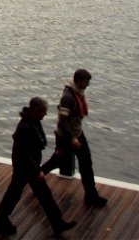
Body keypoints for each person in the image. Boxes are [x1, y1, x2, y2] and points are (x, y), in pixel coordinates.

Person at [0, 97, 77, 236]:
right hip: (25, 168)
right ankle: (57, 223)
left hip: (27, 166)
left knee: (24, 194)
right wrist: (36, 171)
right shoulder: (25, 127)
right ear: (36, 110)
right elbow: (24, 153)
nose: (45, 114)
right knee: (26, 194)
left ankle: (57, 223)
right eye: (44, 111)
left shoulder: (33, 122)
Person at [41, 68, 108, 208]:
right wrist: (72, 139)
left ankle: (91, 195)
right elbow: (62, 121)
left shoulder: (78, 92)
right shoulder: (68, 97)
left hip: (76, 133)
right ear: (78, 81)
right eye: (86, 81)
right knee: (60, 160)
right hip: (67, 136)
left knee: (84, 163)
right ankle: (36, 177)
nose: (88, 84)